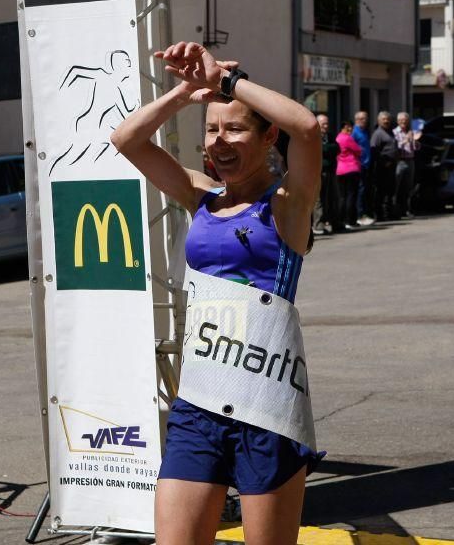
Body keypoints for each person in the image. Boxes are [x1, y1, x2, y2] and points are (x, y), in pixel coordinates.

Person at [110, 41, 324, 545]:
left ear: (268, 134)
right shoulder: (200, 196)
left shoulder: (288, 205)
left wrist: (228, 82)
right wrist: (189, 91)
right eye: (211, 130)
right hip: (198, 403)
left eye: (234, 128)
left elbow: (308, 128)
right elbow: (127, 139)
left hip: (266, 405)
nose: (219, 142)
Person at [312, 114, 340, 234]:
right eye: (323, 124)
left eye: (327, 123)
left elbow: (337, 148)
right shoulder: (314, 136)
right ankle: (318, 225)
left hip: (331, 171)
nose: (326, 126)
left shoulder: (330, 136)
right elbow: (319, 150)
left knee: (333, 197)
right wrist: (327, 149)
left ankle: (336, 223)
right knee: (319, 200)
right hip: (318, 172)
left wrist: (326, 148)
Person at [370, 111, 398, 220]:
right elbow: (374, 150)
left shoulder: (390, 132)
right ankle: (381, 214)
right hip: (382, 167)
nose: (386, 121)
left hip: (392, 165)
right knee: (382, 191)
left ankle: (389, 212)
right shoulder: (378, 134)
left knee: (390, 190)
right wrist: (383, 162)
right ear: (379, 121)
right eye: (384, 119)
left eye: (387, 119)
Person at [336, 120, 363, 228]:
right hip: (351, 169)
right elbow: (358, 150)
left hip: (340, 170)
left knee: (343, 196)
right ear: (346, 127)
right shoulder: (347, 138)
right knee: (351, 196)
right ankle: (350, 220)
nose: (351, 129)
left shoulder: (338, 138)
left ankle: (341, 219)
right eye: (350, 127)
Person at [393, 112, 419, 218]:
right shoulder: (394, 132)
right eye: (401, 120)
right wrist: (405, 141)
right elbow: (395, 147)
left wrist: (416, 143)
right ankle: (394, 211)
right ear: (398, 121)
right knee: (396, 187)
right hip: (400, 161)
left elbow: (414, 148)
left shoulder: (410, 131)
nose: (404, 122)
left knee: (408, 188)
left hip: (410, 161)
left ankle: (406, 210)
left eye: (406, 120)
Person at [351, 111, 374, 225]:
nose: (364, 121)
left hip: (366, 165)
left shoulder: (364, 131)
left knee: (364, 191)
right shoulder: (354, 132)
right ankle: (359, 216)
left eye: (365, 118)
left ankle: (363, 213)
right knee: (360, 191)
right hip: (359, 165)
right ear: (356, 120)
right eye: (361, 119)